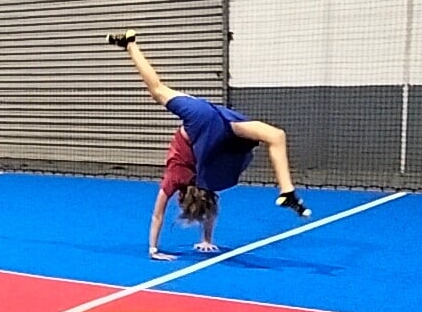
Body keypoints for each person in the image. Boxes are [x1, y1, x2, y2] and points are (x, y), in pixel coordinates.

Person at [106, 29, 311, 260]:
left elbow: (179, 211)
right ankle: (287, 190)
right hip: (212, 119)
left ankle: (288, 193)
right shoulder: (181, 178)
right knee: (158, 89)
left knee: (274, 136)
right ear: (181, 197)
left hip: (221, 130)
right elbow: (164, 214)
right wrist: (204, 241)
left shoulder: (205, 181)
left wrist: (155, 251)